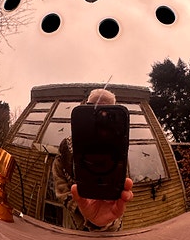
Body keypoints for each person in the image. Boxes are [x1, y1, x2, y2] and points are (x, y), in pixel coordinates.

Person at [52, 88, 133, 231]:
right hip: (76, 223)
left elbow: (123, 180)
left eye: (107, 111)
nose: (101, 115)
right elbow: (59, 180)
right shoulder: (67, 146)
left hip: (110, 223)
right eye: (94, 108)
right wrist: (80, 205)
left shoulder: (117, 145)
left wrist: (106, 217)